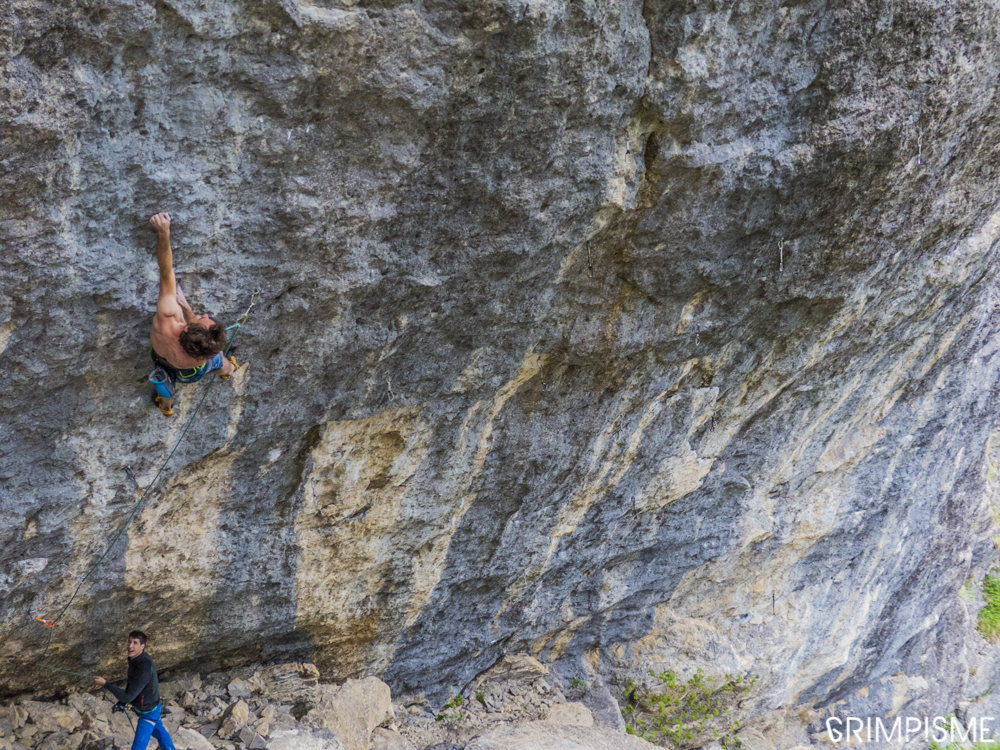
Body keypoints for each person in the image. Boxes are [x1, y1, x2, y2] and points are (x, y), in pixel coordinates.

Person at [147, 211, 239, 416]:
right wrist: (189, 310)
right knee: (220, 362)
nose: (205, 314)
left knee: (165, 379)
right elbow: (206, 342)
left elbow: (165, 270)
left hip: (161, 356)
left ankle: (166, 405)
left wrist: (163, 233)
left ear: (187, 328)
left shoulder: (167, 320)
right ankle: (229, 371)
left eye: (203, 319)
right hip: (191, 372)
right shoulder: (206, 353)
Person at [94, 630, 176, 750]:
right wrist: (122, 703)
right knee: (159, 732)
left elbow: (128, 696)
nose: (130, 646)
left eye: (135, 643)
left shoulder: (144, 666)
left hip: (148, 713)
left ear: (142, 647)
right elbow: (132, 685)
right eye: (129, 642)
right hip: (152, 708)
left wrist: (105, 684)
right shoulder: (136, 660)